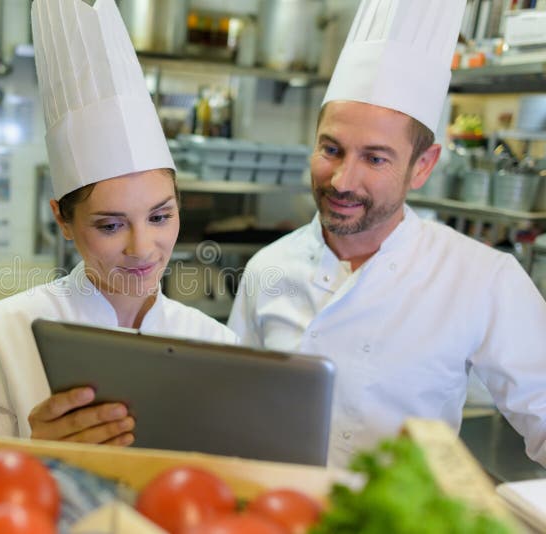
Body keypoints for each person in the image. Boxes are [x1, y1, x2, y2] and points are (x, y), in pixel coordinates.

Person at [228, 0, 546, 469]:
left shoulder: (483, 278)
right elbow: (232, 408)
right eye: (330, 149)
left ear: (423, 166)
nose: (341, 180)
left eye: (375, 158)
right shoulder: (269, 268)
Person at [0, 0, 237, 445]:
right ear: (62, 219)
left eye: (160, 216)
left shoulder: (217, 344)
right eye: (111, 225)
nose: (142, 247)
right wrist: (32, 454)